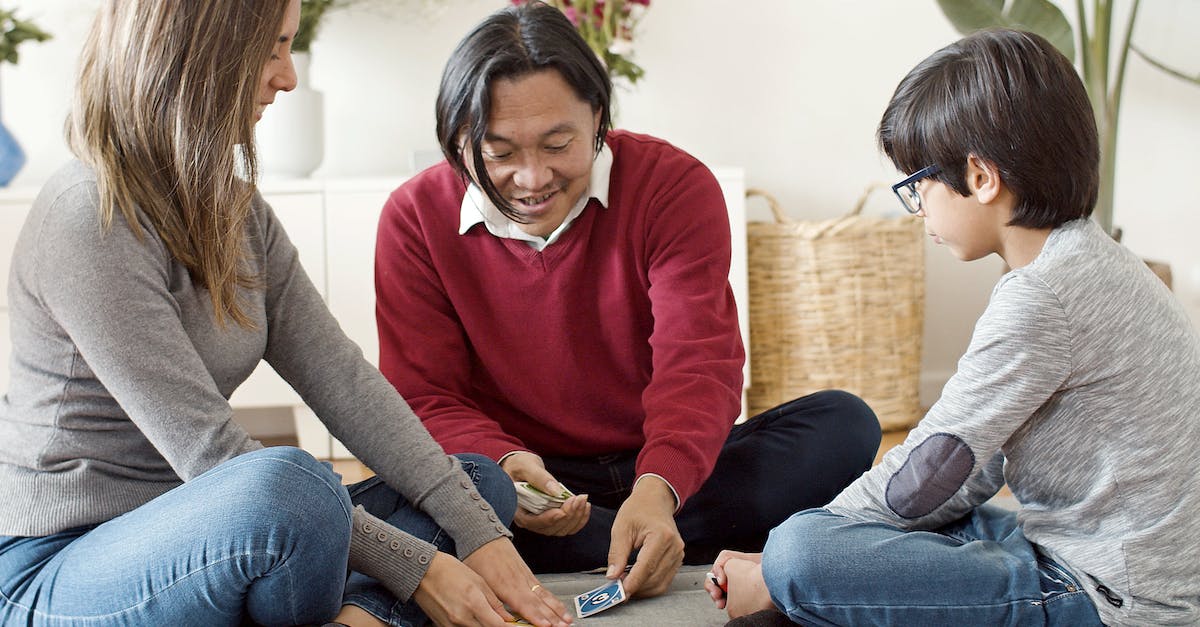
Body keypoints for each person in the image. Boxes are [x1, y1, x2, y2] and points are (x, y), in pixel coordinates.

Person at [0, 3, 575, 627]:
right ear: (200, 52)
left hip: (216, 537)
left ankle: (357, 619)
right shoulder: (89, 214)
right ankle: (372, 607)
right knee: (290, 487)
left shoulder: (236, 210)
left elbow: (343, 380)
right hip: (62, 561)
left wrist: (481, 533)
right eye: (273, 48)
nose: (288, 76)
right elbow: (212, 457)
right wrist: (423, 568)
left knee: (474, 485)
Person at [374, 0, 881, 599]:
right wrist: (510, 471)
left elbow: (698, 363)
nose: (532, 179)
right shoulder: (414, 217)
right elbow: (425, 395)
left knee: (843, 424)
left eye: (558, 144)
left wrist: (659, 487)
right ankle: (646, 541)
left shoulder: (673, 186)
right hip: (528, 481)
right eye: (499, 153)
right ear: (456, 140)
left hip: (665, 465)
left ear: (598, 117)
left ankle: (621, 536)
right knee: (421, 494)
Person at [705, 28, 1200, 626]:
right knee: (857, 534)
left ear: (982, 177)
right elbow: (965, 467)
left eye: (919, 184)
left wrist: (784, 559)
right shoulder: (1087, 261)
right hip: (1090, 550)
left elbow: (927, 467)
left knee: (800, 552)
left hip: (1109, 595)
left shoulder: (1044, 295)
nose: (919, 208)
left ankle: (785, 583)